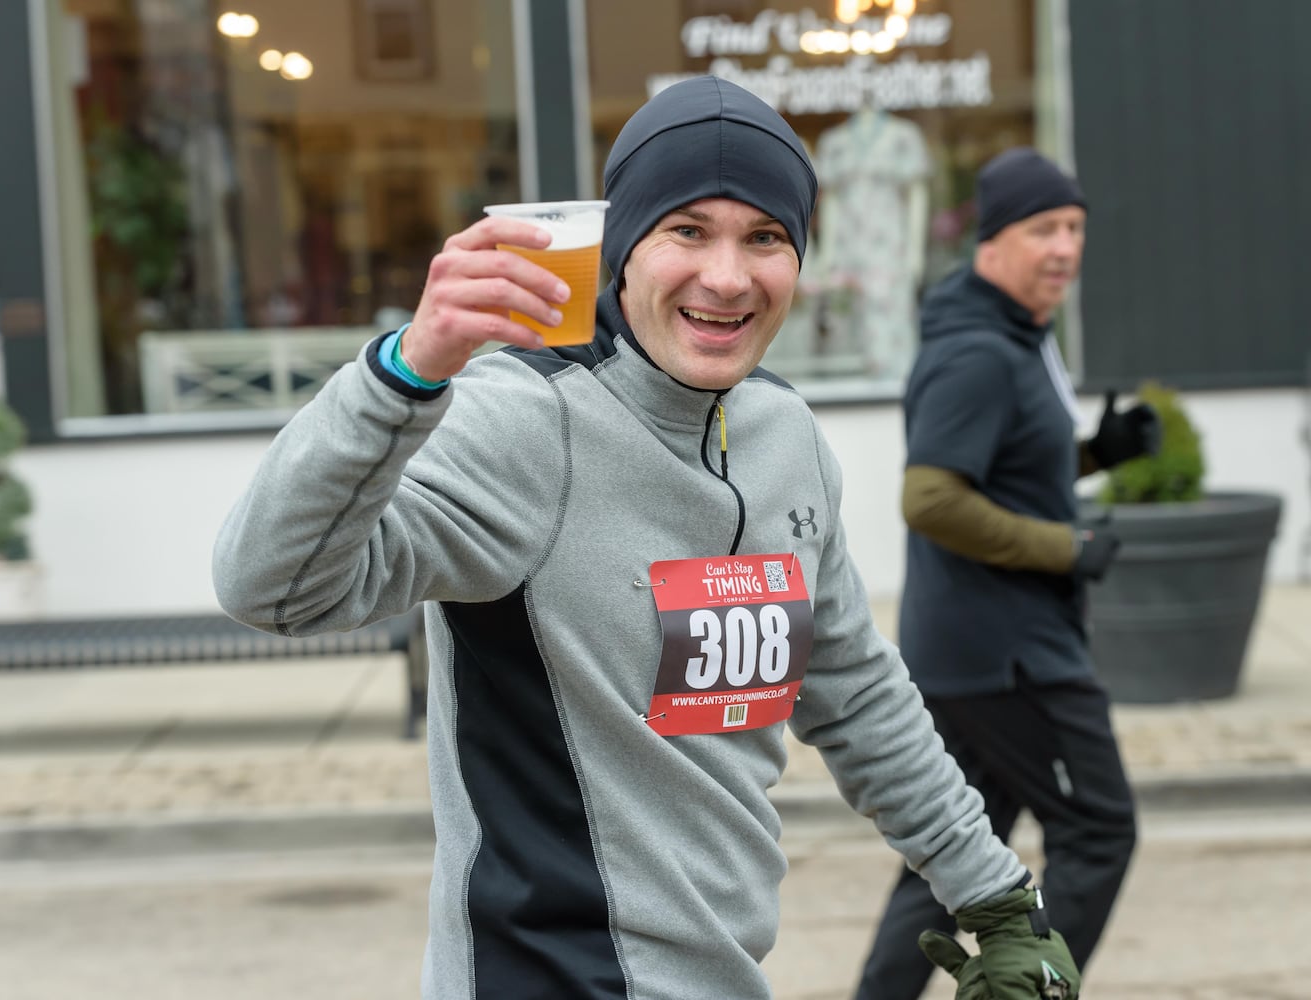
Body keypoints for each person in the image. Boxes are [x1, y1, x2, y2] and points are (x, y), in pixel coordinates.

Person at [214, 80, 1077, 1000]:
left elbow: (856, 692)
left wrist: (992, 898)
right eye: (688, 231)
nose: (729, 277)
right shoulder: (527, 422)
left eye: (766, 237)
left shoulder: (786, 436)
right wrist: (402, 373)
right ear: (623, 245)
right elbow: (273, 587)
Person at [853, 147, 1159, 1000]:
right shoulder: (980, 352)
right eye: (1043, 230)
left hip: (974, 647)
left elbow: (1008, 463)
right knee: (1099, 829)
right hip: (1009, 653)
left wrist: (1099, 452)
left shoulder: (1016, 334)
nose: (1063, 248)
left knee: (948, 855)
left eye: (1074, 229)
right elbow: (933, 498)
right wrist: (1068, 548)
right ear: (993, 241)